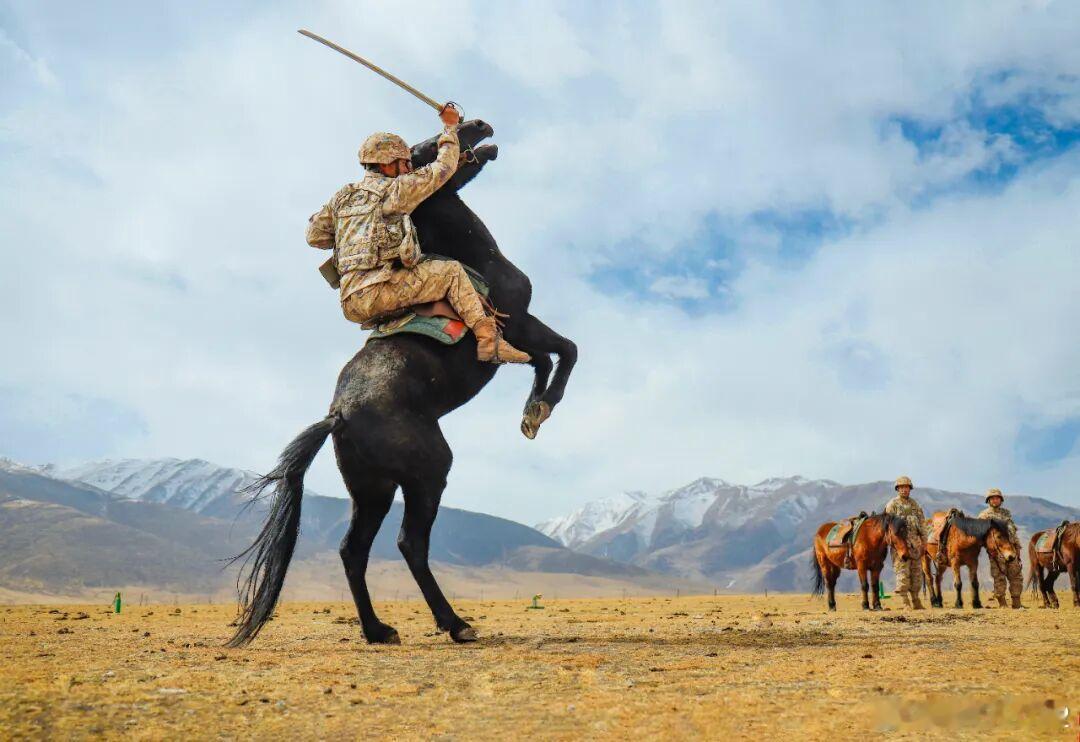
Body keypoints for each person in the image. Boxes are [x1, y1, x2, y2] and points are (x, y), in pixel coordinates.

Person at [305, 104, 530, 364]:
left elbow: (315, 236)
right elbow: (443, 169)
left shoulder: (342, 197)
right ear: (387, 165)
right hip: (382, 290)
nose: (406, 169)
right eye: (403, 163)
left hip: (350, 302)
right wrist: (450, 127)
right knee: (451, 273)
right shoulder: (397, 190)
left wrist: (356, 229)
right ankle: (489, 341)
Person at [977, 488, 1024, 608]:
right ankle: (1002, 604)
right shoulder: (983, 516)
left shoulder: (1006, 513)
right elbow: (979, 535)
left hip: (1011, 549)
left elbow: (1012, 531)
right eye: (992, 498)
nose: (995, 500)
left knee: (1016, 575)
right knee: (999, 576)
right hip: (996, 552)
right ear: (988, 500)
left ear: (1001, 500)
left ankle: (1017, 603)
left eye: (997, 498)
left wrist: (1017, 546)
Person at [884, 475, 925, 609]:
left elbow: (922, 523)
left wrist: (924, 542)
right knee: (902, 573)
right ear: (897, 489)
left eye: (906, 487)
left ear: (910, 489)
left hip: (915, 545)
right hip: (900, 545)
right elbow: (887, 526)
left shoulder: (915, 504)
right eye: (901, 487)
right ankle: (904, 603)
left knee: (916, 574)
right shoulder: (892, 505)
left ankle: (916, 600)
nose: (904, 490)